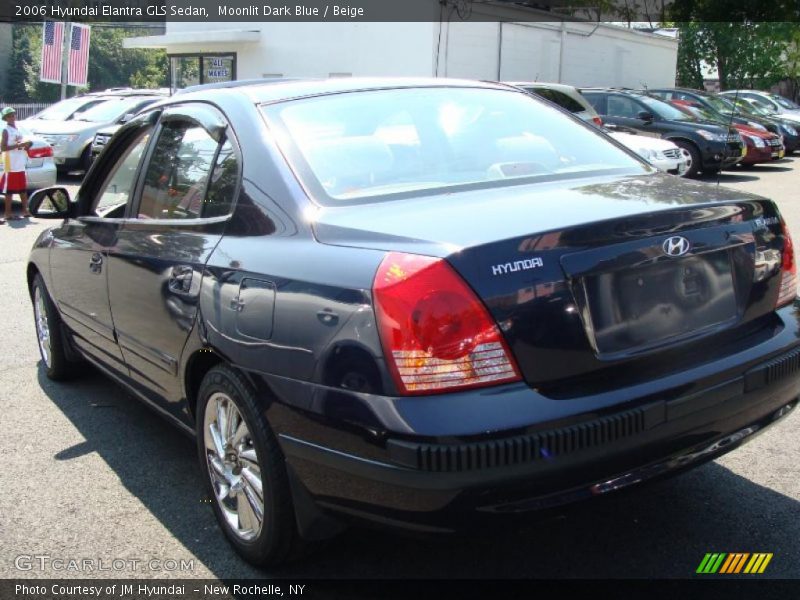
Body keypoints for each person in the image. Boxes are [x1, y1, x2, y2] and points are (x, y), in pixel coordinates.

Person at [0, 107, 32, 224]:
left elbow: (19, 144)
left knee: (22, 188)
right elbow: (3, 148)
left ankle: (25, 210)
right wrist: (18, 145)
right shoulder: (6, 130)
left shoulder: (18, 129)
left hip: (20, 162)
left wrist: (25, 146)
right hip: (11, 163)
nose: (12, 117)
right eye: (9, 116)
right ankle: (8, 213)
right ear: (5, 118)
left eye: (13, 115)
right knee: (10, 189)